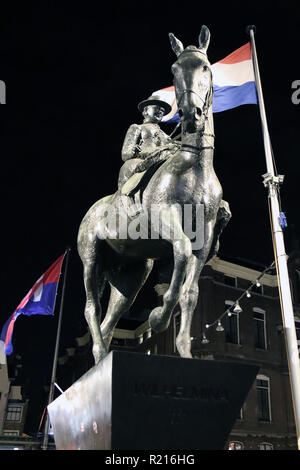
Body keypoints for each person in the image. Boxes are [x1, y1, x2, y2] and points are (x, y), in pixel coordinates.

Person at [118, 95, 180, 191]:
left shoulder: (165, 135)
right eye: (157, 108)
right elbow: (125, 154)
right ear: (145, 111)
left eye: (162, 111)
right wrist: (136, 151)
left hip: (161, 162)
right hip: (143, 162)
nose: (160, 112)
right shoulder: (138, 127)